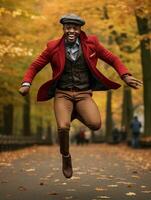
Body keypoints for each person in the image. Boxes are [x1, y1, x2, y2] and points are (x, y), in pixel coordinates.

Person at [19, 13, 142, 178]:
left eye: (75, 28)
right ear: (63, 29)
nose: (71, 31)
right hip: (63, 94)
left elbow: (112, 59)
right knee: (63, 127)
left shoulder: (92, 44)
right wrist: (26, 83)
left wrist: (125, 75)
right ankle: (65, 156)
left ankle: (74, 112)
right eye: (68, 27)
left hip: (83, 94)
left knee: (96, 124)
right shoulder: (53, 47)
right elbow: (34, 66)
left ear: (80, 29)